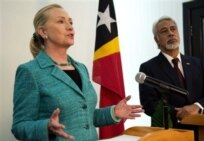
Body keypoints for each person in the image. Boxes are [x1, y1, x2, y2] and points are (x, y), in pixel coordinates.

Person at [11, 4, 144, 141]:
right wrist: (46, 127)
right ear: (43, 32)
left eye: (71, 22)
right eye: (61, 21)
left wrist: (113, 112)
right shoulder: (30, 71)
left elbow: (84, 117)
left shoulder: (81, 68)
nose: (70, 27)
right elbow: (19, 126)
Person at [138, 16, 204, 133]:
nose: (170, 33)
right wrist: (179, 112)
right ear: (156, 40)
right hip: (170, 131)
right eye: (164, 31)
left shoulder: (197, 63)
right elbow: (149, 105)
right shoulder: (148, 68)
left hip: (203, 129)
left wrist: (197, 107)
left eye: (173, 29)